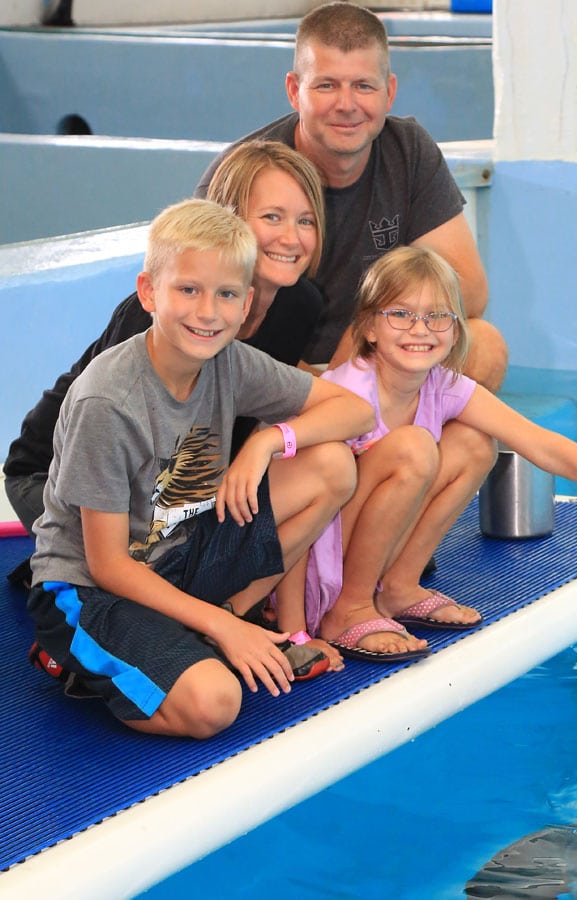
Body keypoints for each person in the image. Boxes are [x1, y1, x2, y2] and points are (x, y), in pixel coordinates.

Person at [26, 199, 375, 739]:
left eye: (226, 294)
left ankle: (204, 635)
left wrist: (264, 444)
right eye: (188, 289)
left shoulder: (229, 360)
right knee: (215, 704)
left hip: (179, 555)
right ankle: (86, 665)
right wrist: (222, 624)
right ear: (148, 293)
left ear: (246, 305)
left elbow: (356, 411)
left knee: (330, 465)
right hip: (88, 589)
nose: (207, 312)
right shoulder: (108, 401)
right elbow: (109, 566)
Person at [305, 246, 577, 662]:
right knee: (412, 448)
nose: (420, 329)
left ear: (456, 329)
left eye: (437, 316)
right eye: (401, 314)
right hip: (319, 561)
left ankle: (398, 587)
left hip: (367, 547)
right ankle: (347, 609)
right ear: (369, 327)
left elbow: (539, 443)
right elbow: (298, 495)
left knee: (474, 443)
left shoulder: (441, 385)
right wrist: (288, 623)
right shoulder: (348, 390)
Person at [4, 140, 328, 546]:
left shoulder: (301, 303)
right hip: (57, 475)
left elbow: (262, 402)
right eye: (272, 217)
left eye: (306, 221)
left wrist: (265, 443)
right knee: (140, 560)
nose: (291, 238)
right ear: (226, 220)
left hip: (177, 482)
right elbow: (107, 434)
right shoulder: (159, 313)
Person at [194, 0, 508, 393]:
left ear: (389, 93)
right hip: (275, 371)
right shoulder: (240, 175)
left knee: (486, 346)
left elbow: (470, 292)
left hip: (377, 353)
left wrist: (367, 329)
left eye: (363, 86)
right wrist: (326, 387)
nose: (346, 105)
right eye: (326, 85)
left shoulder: (407, 151)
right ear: (294, 90)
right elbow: (207, 317)